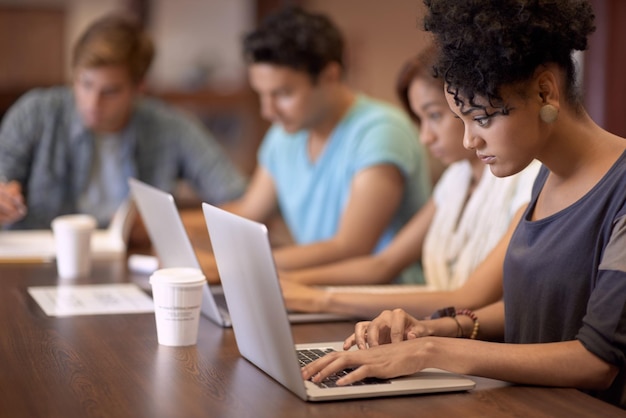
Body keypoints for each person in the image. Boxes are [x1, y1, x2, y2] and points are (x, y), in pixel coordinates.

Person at [301, 0, 626, 409]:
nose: (470, 140)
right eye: (462, 120)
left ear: (545, 91)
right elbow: (543, 308)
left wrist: (431, 353)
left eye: (482, 119)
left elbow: (595, 360)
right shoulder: (547, 176)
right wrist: (435, 329)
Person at [279, 47, 539, 319]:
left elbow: (467, 298)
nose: (425, 137)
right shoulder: (456, 179)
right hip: (439, 332)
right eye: (420, 119)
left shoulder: (528, 178)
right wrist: (288, 280)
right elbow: (383, 263)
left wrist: (320, 299)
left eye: (435, 116)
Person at [220, 6, 431, 283]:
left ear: (330, 76)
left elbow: (351, 247)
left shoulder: (380, 131)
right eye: (262, 95)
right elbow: (249, 211)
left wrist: (233, 266)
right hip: (320, 293)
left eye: (282, 93)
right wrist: (176, 228)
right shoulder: (285, 133)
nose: (268, 111)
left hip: (385, 307)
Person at [0, 14, 246, 230]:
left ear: (139, 88)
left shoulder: (171, 127)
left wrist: (165, 224)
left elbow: (238, 199)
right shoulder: (35, 113)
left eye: (110, 91)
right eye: (85, 84)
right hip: (39, 260)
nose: (92, 103)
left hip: (131, 262)